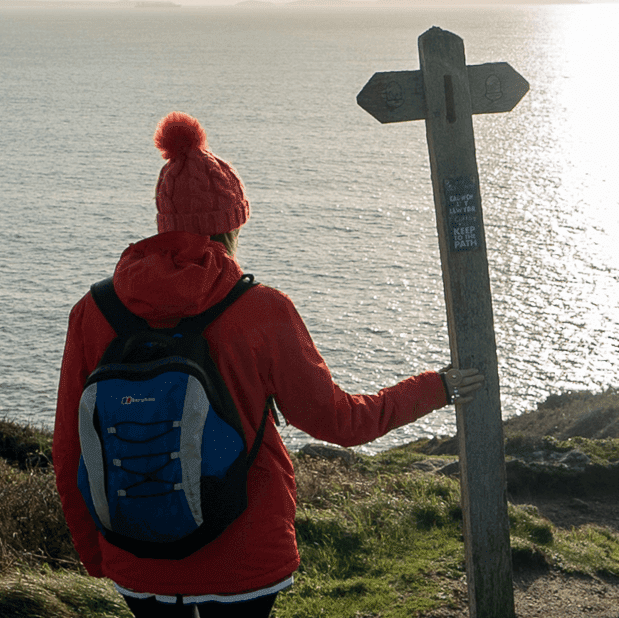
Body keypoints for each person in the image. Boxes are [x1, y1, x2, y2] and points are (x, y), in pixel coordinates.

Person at [52, 112, 484, 618]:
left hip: (135, 560)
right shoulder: (261, 310)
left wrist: (96, 555)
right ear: (231, 223)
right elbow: (342, 423)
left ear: (162, 221)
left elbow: (69, 448)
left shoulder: (94, 311)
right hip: (245, 559)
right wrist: (438, 387)